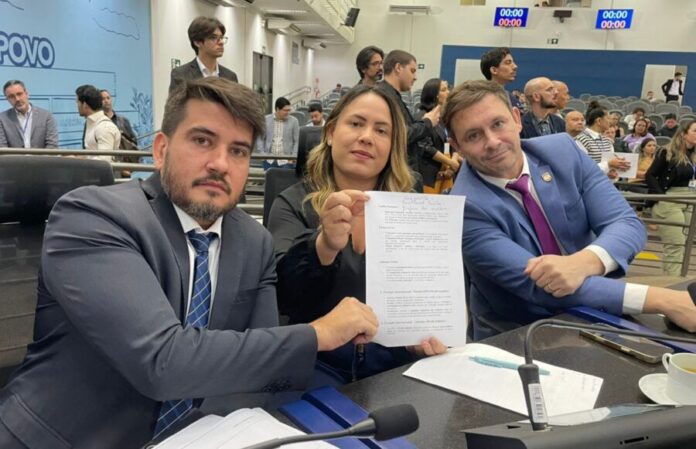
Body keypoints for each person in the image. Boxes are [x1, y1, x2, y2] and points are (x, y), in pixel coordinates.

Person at [0, 78, 378, 449]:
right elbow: (162, 361)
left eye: (238, 151)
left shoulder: (254, 241)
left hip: (198, 437)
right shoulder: (92, 216)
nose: (220, 164)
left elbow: (264, 370)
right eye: (202, 141)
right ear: (161, 150)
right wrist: (317, 334)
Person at [443, 80, 696, 340]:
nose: (493, 141)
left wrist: (583, 263)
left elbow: (625, 222)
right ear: (456, 146)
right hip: (516, 333)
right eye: (473, 136)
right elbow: (540, 287)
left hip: (598, 312)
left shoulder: (563, 151)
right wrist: (662, 300)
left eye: (498, 124)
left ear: (516, 119)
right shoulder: (464, 209)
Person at [268, 85, 446, 383]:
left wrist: (422, 336)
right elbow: (283, 298)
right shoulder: (292, 203)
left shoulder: (412, 208)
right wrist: (323, 246)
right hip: (316, 367)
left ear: (392, 146)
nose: (366, 137)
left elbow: (424, 297)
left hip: (396, 368)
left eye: (381, 131)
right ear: (330, 133)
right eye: (355, 123)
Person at [376, 50, 440, 174]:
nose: (415, 77)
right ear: (398, 68)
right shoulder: (383, 96)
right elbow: (398, 135)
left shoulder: (391, 95)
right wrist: (427, 122)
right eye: (412, 71)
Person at [646, 119, 696, 276]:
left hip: (690, 201)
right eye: (695, 131)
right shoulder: (666, 152)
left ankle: (678, 277)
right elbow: (650, 175)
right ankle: (671, 282)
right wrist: (661, 197)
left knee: (685, 243)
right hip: (671, 201)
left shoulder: (693, 155)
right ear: (683, 134)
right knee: (675, 243)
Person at [414, 78, 461, 192]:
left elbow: (452, 141)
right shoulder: (423, 117)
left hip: (447, 172)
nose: (448, 92)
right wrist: (449, 162)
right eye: (444, 90)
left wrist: (452, 163)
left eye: (447, 89)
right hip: (429, 175)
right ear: (434, 95)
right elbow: (425, 147)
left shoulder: (443, 117)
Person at [169, 17, 238, 93]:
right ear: (197, 42)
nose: (221, 42)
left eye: (221, 37)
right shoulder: (181, 75)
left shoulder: (230, 76)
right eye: (213, 38)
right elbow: (177, 101)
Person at [574, 101, 631, 179]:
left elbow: (609, 169)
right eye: (608, 118)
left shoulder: (607, 141)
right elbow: (583, 169)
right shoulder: (580, 140)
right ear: (599, 121)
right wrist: (608, 164)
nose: (610, 121)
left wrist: (611, 173)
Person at [0, 79, 59, 148]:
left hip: (41, 155)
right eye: (11, 96)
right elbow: (2, 147)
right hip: (14, 156)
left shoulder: (46, 116)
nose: (17, 99)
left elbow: (52, 145)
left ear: (26, 94)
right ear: (7, 99)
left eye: (19, 94)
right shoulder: (2, 119)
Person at [76, 84, 121, 160]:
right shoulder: (91, 123)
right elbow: (91, 155)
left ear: (85, 104)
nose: (77, 105)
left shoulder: (104, 127)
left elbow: (104, 161)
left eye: (78, 102)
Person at [256, 97, 300, 168]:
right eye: (285, 110)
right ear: (277, 109)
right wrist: (263, 155)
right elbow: (260, 139)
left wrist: (293, 157)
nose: (288, 113)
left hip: (286, 161)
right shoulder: (266, 120)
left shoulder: (294, 121)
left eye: (289, 110)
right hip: (269, 160)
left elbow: (297, 141)